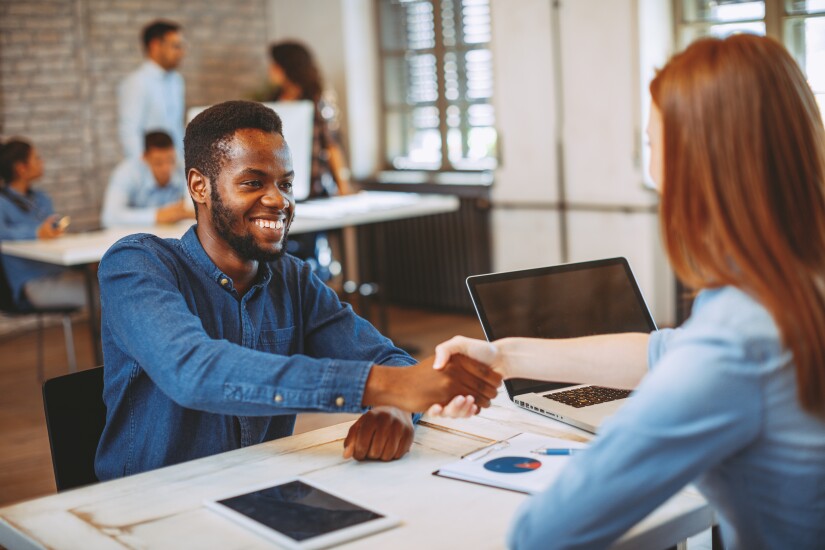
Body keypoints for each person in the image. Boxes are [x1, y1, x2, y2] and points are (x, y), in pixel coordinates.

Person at [431, 34, 825, 549]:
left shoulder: (740, 337)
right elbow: (663, 351)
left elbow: (546, 534)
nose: (656, 173)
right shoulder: (790, 291)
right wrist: (503, 354)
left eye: (652, 146)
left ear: (696, 164)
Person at [94, 100, 501, 481]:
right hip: (148, 509)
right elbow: (194, 372)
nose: (278, 200)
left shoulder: (291, 278)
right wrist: (385, 386)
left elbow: (389, 360)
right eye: (253, 182)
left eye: (286, 184)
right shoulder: (136, 264)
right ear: (199, 187)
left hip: (256, 492)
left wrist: (395, 407)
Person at [268, 40, 351, 280]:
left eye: (274, 65)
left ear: (286, 67)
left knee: (309, 253)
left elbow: (331, 145)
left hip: (314, 189)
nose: (270, 71)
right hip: (282, 188)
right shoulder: (274, 100)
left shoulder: (315, 101)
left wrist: (343, 185)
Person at [0, 139, 86, 309]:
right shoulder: (3, 202)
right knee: (101, 292)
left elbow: (51, 229)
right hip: (32, 284)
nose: (42, 162)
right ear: (20, 168)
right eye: (37, 158)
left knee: (107, 284)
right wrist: (37, 232)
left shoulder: (41, 198)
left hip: (59, 273)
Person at [118, 20, 185, 159]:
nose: (181, 52)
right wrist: (146, 172)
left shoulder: (177, 80)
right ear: (155, 45)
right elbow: (130, 132)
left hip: (175, 165)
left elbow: (176, 127)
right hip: (152, 169)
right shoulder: (137, 82)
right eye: (175, 46)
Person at [101, 131, 193, 228]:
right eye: (158, 162)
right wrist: (157, 216)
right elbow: (110, 218)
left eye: (170, 160)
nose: (166, 168)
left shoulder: (185, 169)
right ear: (145, 157)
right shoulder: (127, 173)